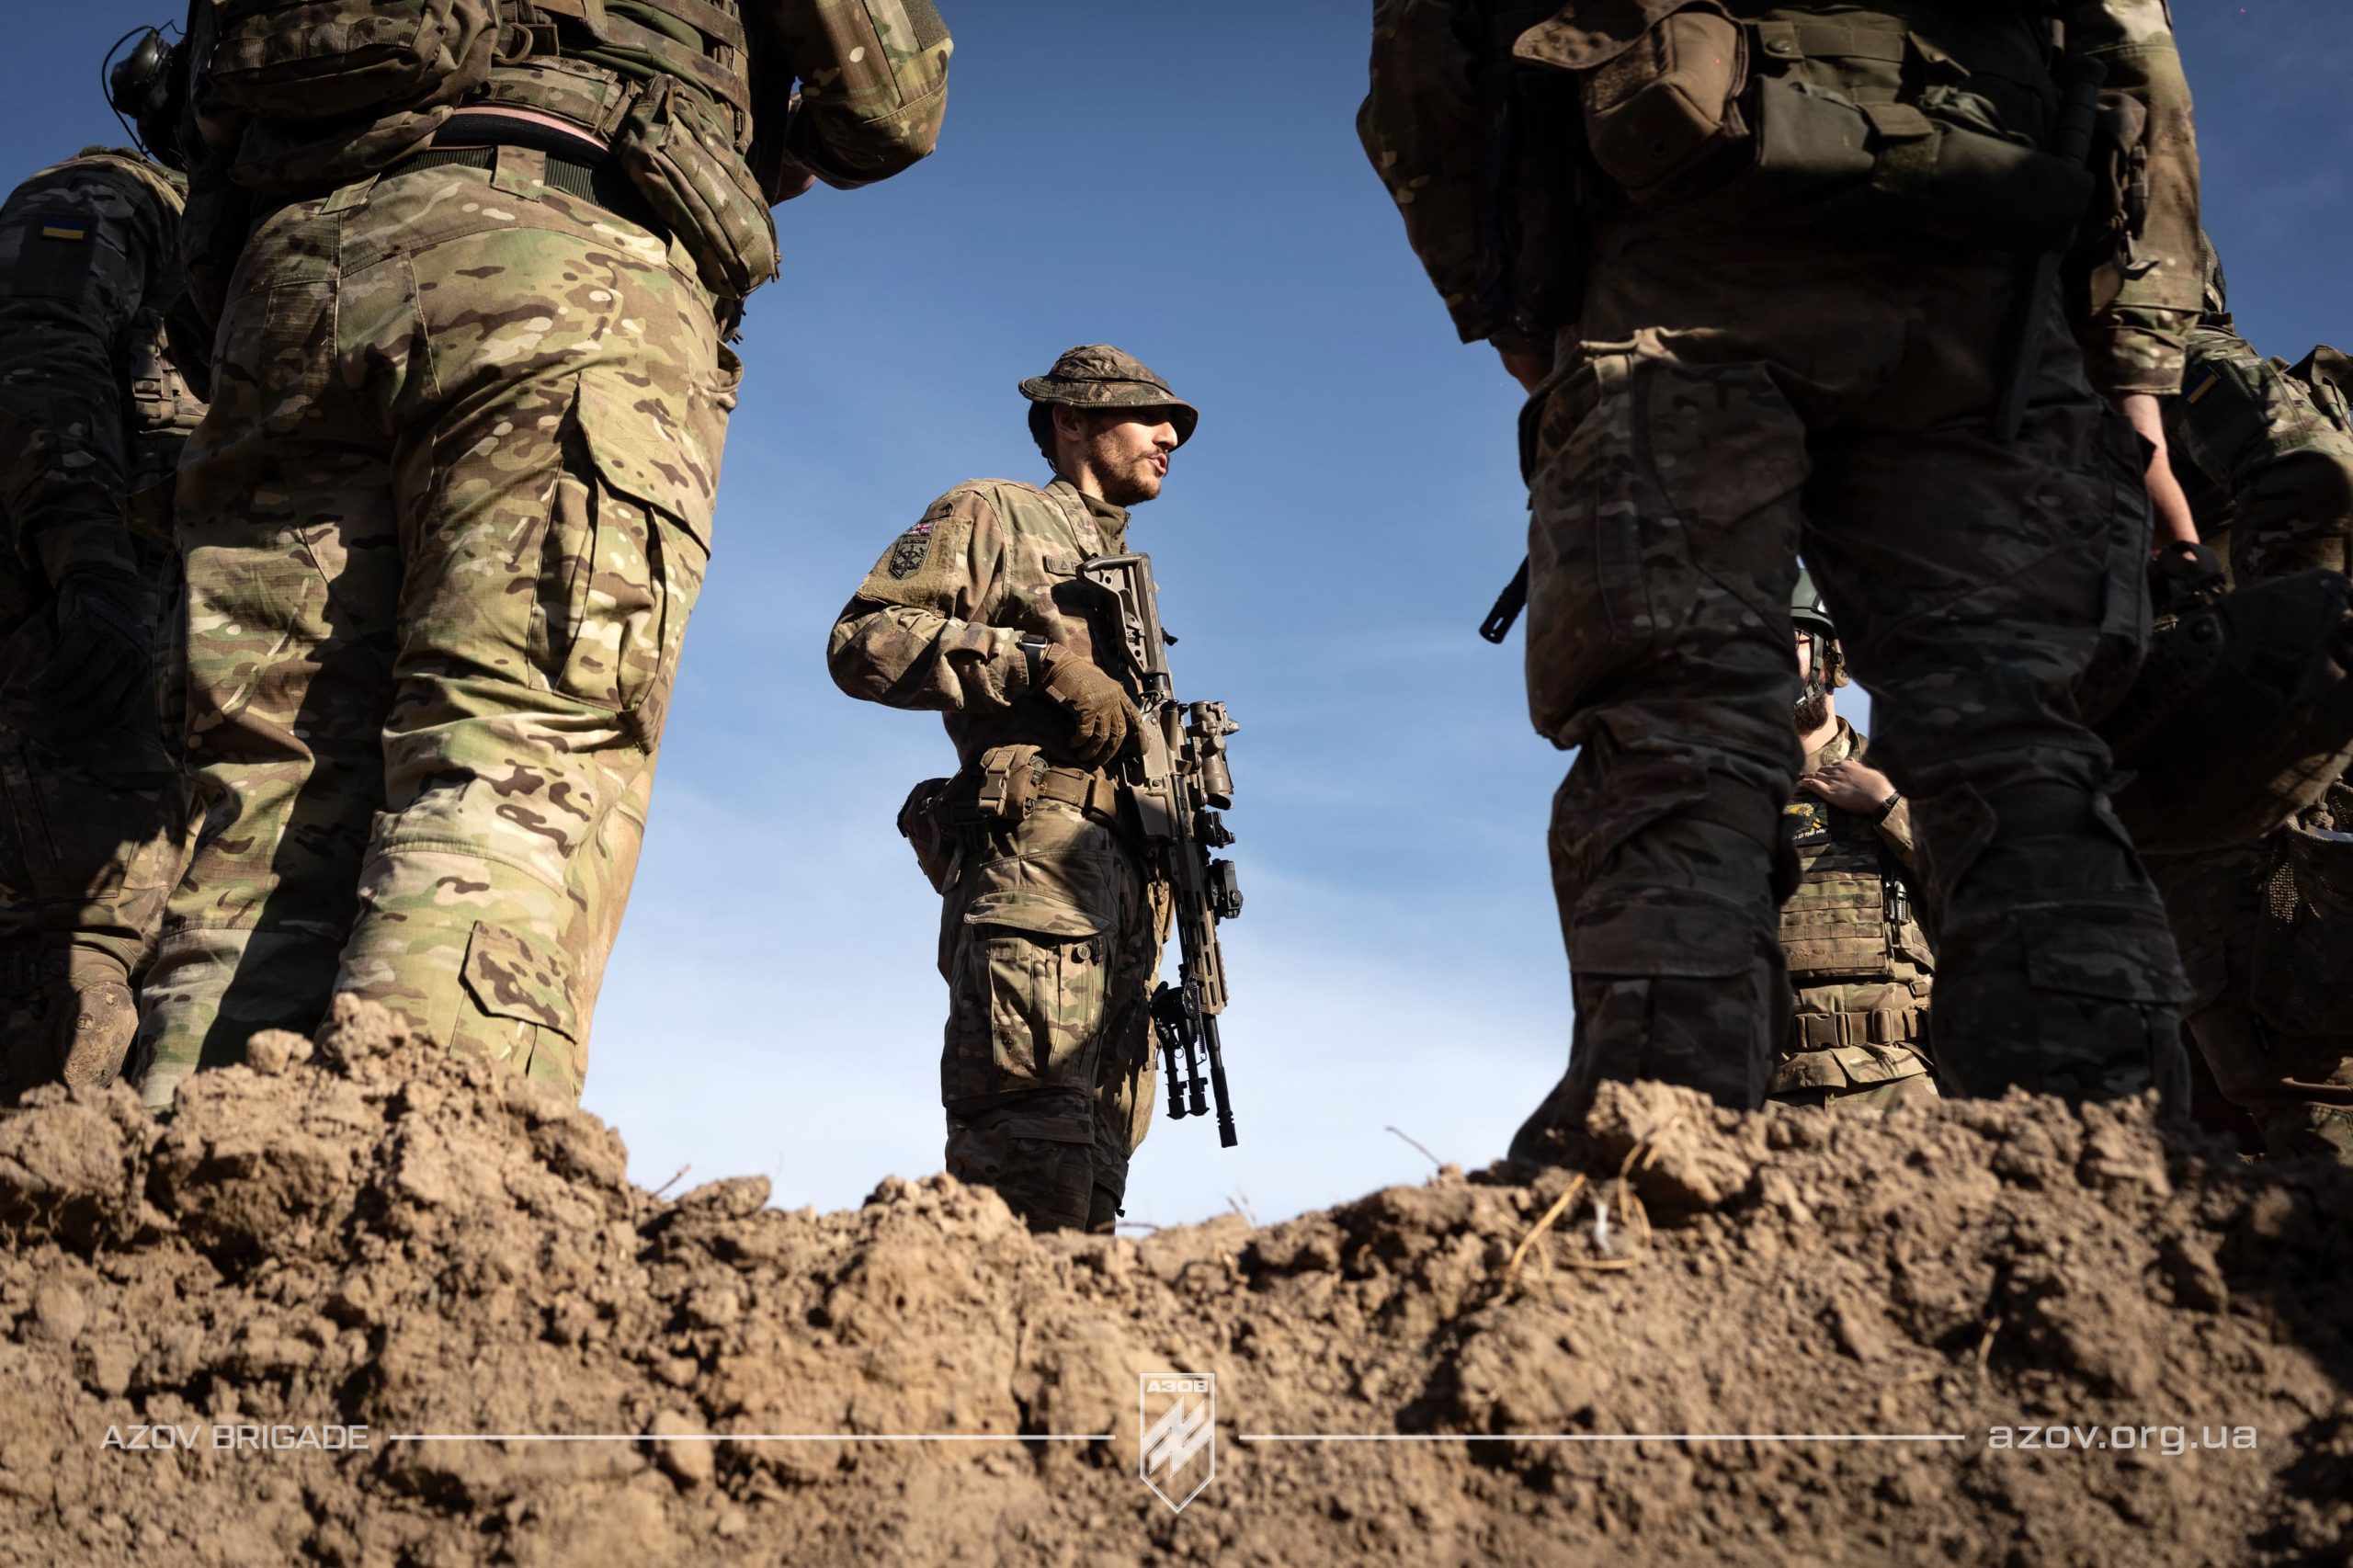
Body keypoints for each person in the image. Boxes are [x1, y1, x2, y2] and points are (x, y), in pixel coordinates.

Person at [1359, 1, 2204, 1152]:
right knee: (2018, 727)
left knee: (1673, 727)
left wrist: (1509, 303)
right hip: (1983, 258)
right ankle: (2098, 1147)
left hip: (1691, 239)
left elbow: (1428, 52)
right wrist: (2134, 364)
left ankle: (1659, 1145)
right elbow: (2133, 54)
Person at [133, 0, 952, 1108]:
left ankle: (174, 1203)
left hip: (290, 285)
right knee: (513, 749)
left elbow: (207, 105)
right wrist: (766, 149)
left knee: (258, 784)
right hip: (561, 256)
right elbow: (887, 107)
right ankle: (426, 1203)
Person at [826, 346, 1197, 1233]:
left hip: (1123, 902)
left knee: (1096, 1183)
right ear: (1071, 421)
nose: (1170, 436)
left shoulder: (1127, 578)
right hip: (1038, 878)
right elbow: (864, 641)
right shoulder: (995, 511)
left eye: (1174, 424)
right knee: (1028, 1157)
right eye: (1149, 415)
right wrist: (1033, 668)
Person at [0, 29, 206, 1096]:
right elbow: (36, 354)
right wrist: (87, 568)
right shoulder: (115, 199)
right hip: (75, 646)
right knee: (72, 971)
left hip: (165, 656)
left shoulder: (260, 260)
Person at [2143, 237, 2353, 1162]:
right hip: (2216, 838)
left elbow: (2314, 481)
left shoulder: (2185, 366)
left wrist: (2254, 694)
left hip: (2272, 826)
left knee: (2313, 1113)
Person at [1773, 572, 1937, 1110]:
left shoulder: (1905, 775)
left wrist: (1888, 805)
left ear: (1828, 656)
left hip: (1896, 1078)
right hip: (1761, 1086)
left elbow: (1988, 886)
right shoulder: (1717, 796)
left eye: (1786, 640)